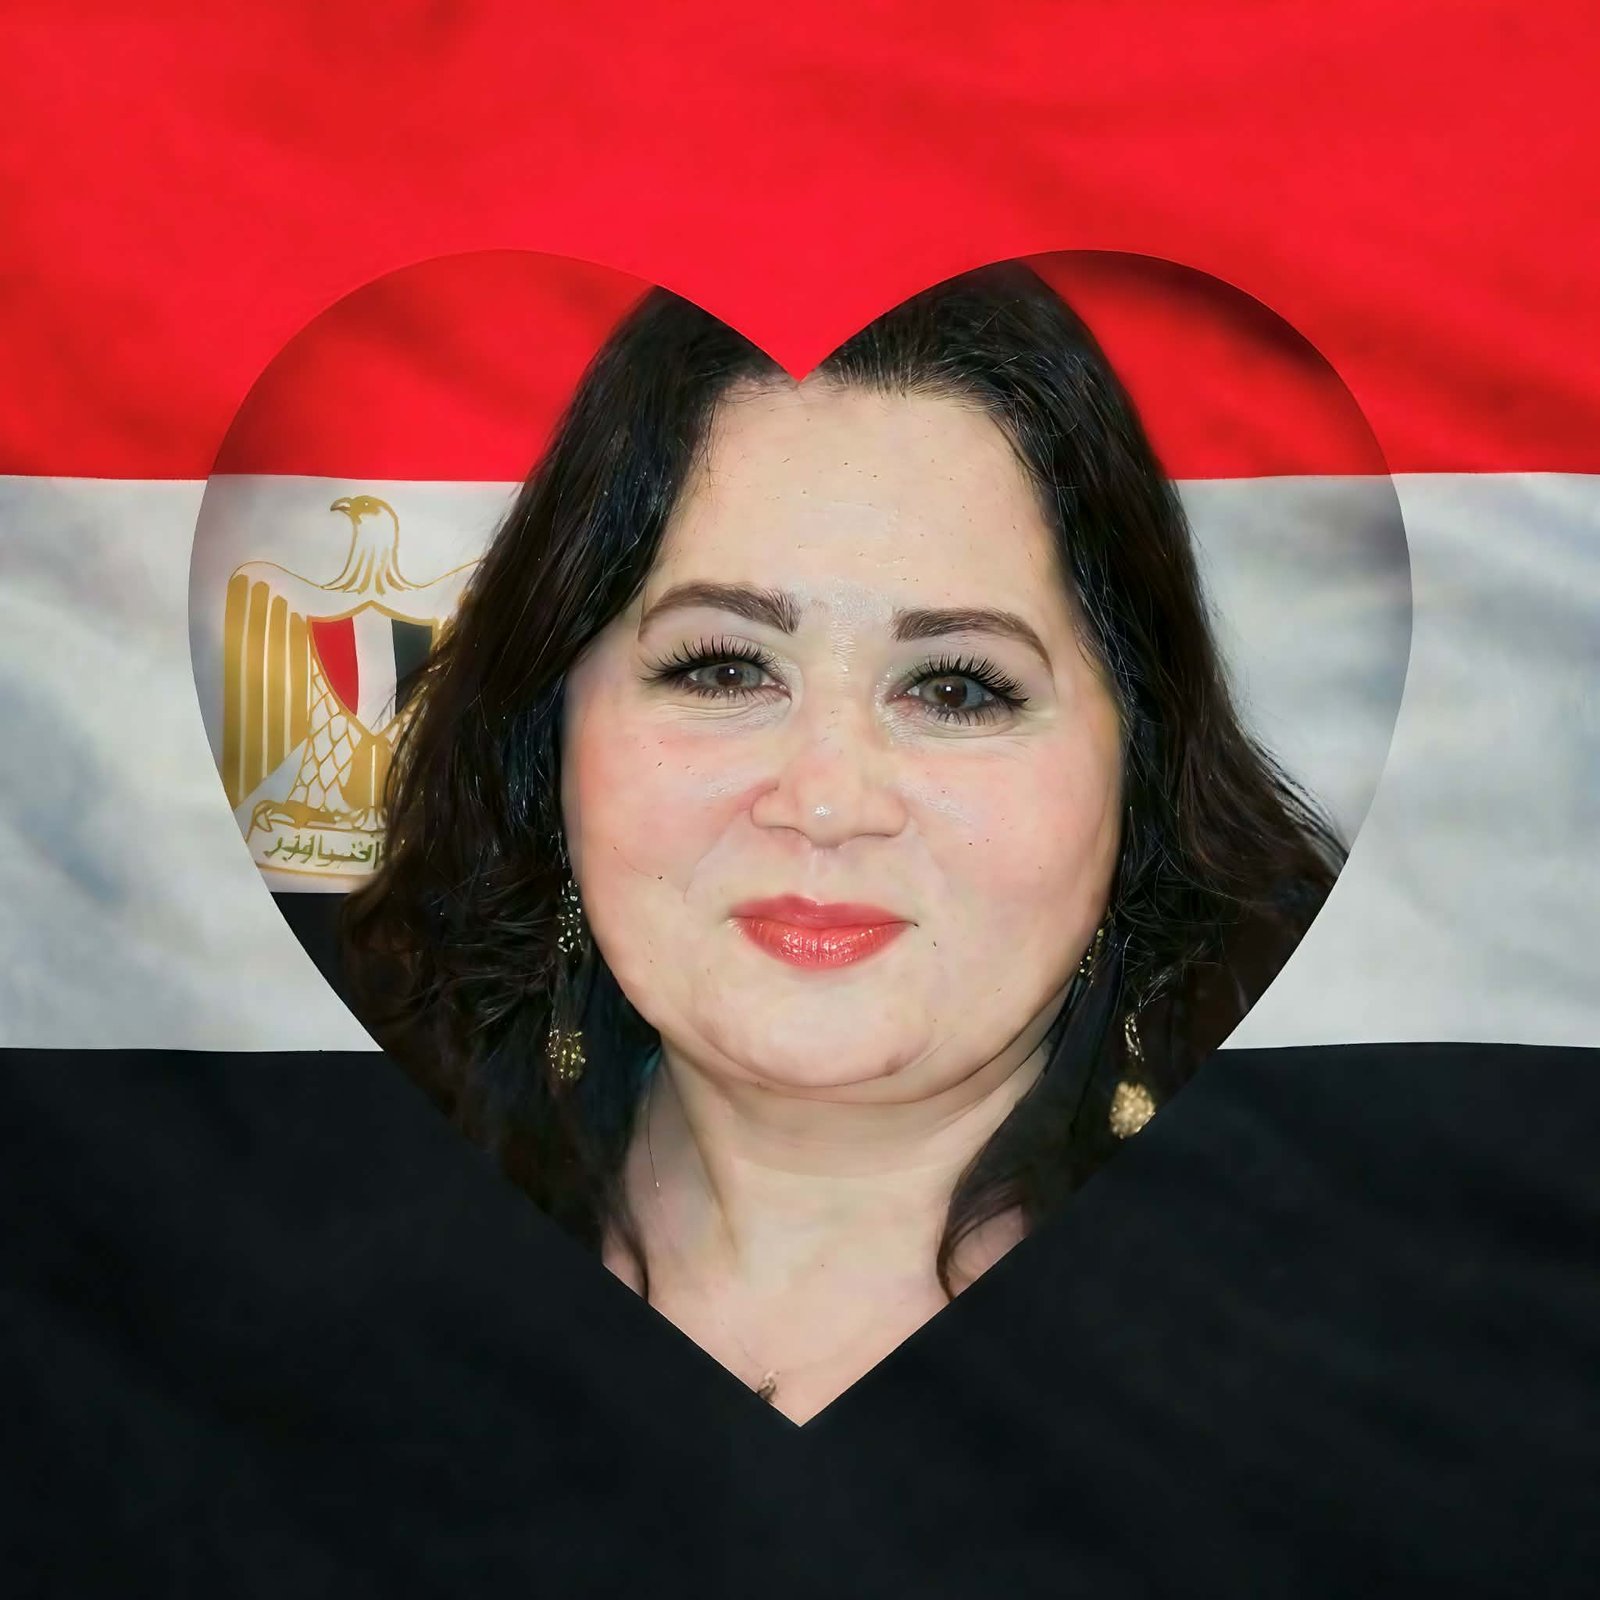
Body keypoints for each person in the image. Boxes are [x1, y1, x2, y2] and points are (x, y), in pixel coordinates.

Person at [340, 261, 1346, 1423]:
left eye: (956, 688)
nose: (824, 800)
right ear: (545, 738)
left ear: (1142, 772)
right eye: (724, 669)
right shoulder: (305, 1253)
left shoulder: (1353, 1325)